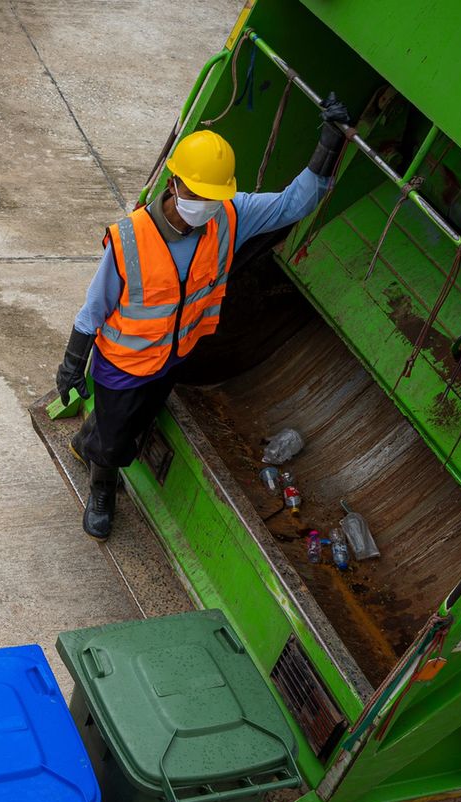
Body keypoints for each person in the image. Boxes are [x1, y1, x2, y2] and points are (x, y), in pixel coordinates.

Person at [54, 94, 350, 539]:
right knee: (115, 442)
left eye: (215, 195)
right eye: (199, 194)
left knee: (135, 423)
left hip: (175, 357)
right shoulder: (130, 240)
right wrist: (72, 363)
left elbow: (293, 204)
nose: (206, 205)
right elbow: (93, 308)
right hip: (124, 364)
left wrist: (328, 146)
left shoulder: (229, 217)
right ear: (174, 183)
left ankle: (90, 442)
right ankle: (103, 488)